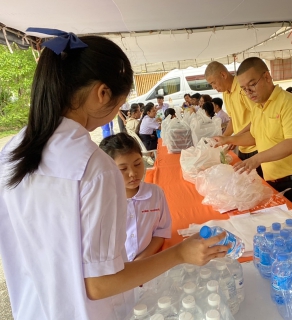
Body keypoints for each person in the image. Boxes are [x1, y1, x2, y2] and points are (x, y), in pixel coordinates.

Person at [0, 32, 229, 320]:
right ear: (102, 93)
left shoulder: (12, 152)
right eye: (120, 102)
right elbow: (100, 283)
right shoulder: (93, 168)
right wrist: (180, 253)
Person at [214, 57, 292, 219]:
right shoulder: (258, 107)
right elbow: (254, 137)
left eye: (252, 85)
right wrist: (228, 140)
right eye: (244, 89)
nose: (249, 92)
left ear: (267, 77)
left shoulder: (289, 103)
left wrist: (256, 159)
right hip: (273, 181)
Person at [99, 133, 172, 262]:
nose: (133, 173)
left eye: (138, 164)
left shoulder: (155, 194)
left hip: (147, 264)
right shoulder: (101, 202)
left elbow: (161, 231)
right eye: (123, 169)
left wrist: (140, 262)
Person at [205, 61, 262, 177]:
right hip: (243, 146)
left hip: (257, 146)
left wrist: (233, 138)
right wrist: (225, 136)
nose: (214, 87)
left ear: (223, 75)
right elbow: (233, 119)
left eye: (213, 83)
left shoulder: (243, 88)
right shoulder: (226, 92)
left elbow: (259, 117)